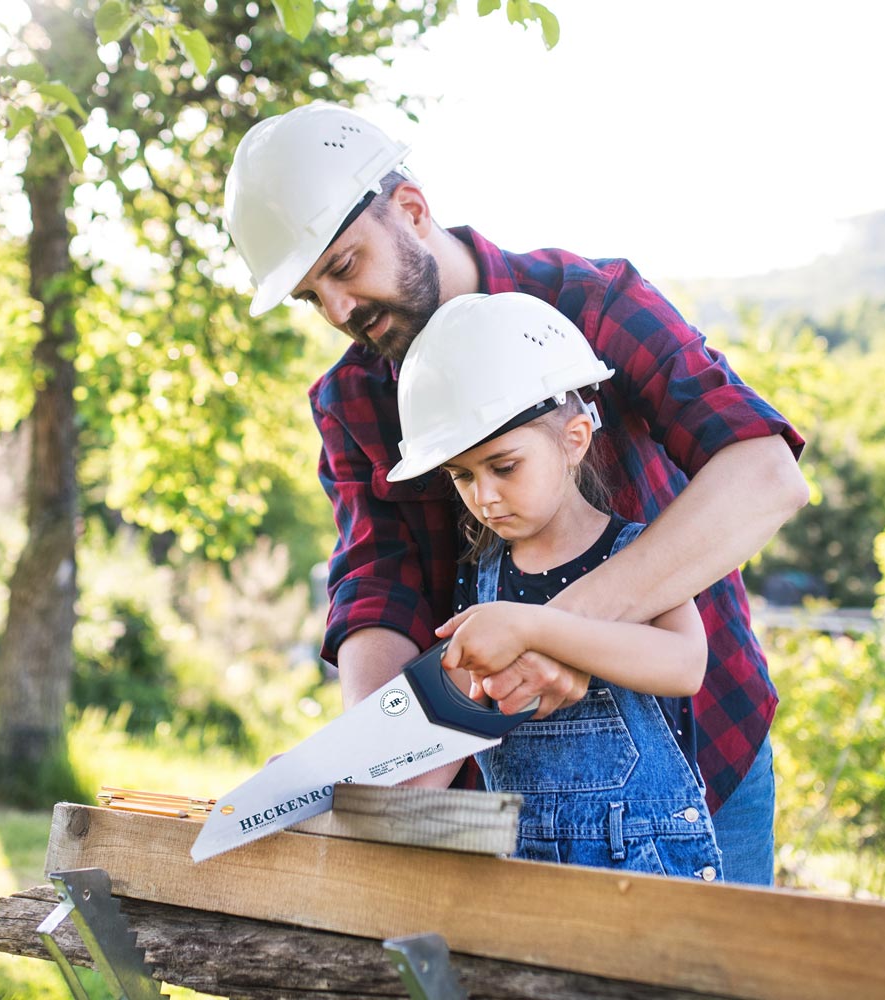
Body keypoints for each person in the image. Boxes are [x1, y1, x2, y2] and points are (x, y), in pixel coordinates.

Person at [222, 103, 808, 886]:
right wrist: (384, 751)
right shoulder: (353, 399)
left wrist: (554, 633)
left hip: (702, 773)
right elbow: (378, 587)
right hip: (517, 809)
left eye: (343, 266)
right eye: (310, 296)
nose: (338, 312)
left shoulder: (593, 302)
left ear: (411, 210)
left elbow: (763, 474)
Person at [388, 291, 723, 879]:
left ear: (574, 440)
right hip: (517, 866)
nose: (484, 496)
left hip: (644, 864)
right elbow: (454, 723)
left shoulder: (636, 554)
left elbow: (684, 664)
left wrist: (539, 626)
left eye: (504, 467)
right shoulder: (481, 574)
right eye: (462, 477)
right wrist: (344, 784)